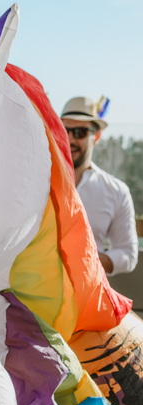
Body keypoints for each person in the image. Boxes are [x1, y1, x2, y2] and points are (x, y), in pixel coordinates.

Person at [61, 96, 138, 275]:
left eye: (79, 132)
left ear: (96, 136)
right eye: (65, 130)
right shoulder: (37, 182)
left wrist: (90, 260)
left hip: (86, 298)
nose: (70, 139)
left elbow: (128, 253)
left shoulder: (117, 192)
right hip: (31, 298)